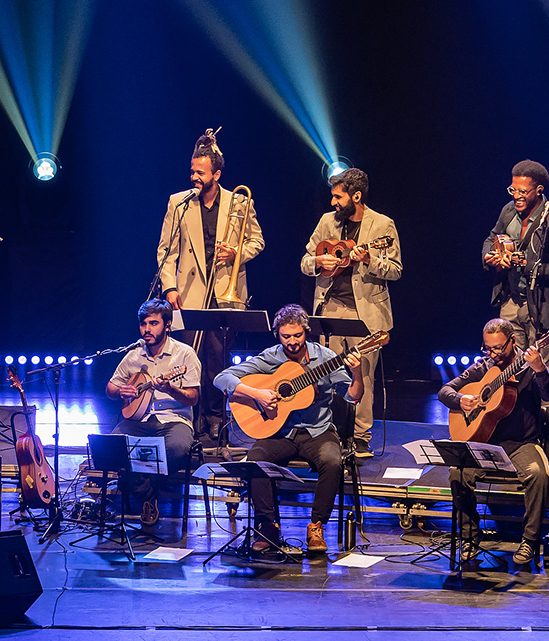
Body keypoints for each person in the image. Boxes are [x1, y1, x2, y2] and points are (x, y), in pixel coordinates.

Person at [215, 304, 365, 557]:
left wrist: (357, 372)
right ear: (278, 335)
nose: (292, 342)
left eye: (298, 335)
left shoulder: (326, 357)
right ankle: (267, 526)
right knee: (255, 460)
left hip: (317, 431)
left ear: (306, 332)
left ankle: (316, 525)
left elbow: (352, 397)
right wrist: (258, 394)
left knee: (332, 460)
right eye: (286, 336)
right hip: (281, 432)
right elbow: (222, 378)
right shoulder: (271, 357)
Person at [155, 128, 264, 444]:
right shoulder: (179, 202)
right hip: (187, 295)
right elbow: (166, 250)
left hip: (224, 296)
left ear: (216, 174)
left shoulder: (239, 202)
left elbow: (257, 239)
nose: (194, 178)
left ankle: (216, 420)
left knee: (217, 358)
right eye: (192, 171)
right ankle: (191, 419)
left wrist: (237, 253)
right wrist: (169, 288)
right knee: (190, 358)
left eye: (200, 173)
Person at [436, 318, 549, 569]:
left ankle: (529, 540)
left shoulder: (527, 366)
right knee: (456, 473)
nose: (493, 354)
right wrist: (461, 400)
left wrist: (539, 369)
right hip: (485, 444)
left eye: (498, 348)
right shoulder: (482, 367)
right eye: (488, 348)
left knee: (539, 474)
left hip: (521, 443)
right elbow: (444, 391)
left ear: (513, 341)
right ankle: (469, 537)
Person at [300, 167, 401, 458]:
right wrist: (319, 262)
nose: (333, 202)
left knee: (362, 376)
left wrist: (369, 259)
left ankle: (360, 437)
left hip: (365, 313)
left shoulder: (382, 225)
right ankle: (327, 431)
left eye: (338, 196)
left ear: (356, 196)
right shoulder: (326, 222)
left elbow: (395, 270)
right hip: (329, 308)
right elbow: (305, 261)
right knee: (326, 374)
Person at [481, 159, 549, 463]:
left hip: (543, 310)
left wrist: (526, 264)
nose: (516, 196)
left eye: (522, 191)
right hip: (511, 302)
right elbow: (489, 239)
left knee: (541, 376)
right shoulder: (508, 212)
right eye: (512, 189)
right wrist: (492, 256)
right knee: (504, 372)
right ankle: (508, 436)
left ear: (539, 190)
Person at [105, 299, 202, 529]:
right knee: (112, 447)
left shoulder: (185, 355)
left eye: (154, 323)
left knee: (177, 448)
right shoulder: (133, 355)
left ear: (167, 325)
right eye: (143, 324)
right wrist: (122, 390)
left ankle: (140, 487)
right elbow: (109, 389)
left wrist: (170, 388)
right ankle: (149, 495)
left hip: (173, 420)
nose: (147, 329)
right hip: (139, 419)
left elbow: (193, 398)